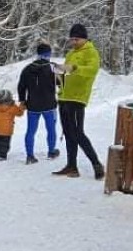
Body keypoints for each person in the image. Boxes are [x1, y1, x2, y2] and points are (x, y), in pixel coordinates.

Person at [52, 23, 105, 179]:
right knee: (68, 133)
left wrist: (75, 68)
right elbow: (64, 71)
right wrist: (57, 74)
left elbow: (92, 70)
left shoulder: (91, 52)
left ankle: (96, 163)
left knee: (78, 133)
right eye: (72, 40)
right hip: (64, 97)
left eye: (76, 39)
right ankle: (71, 166)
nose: (73, 42)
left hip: (77, 98)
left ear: (84, 38)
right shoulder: (70, 53)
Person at [17, 43, 60, 164]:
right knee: (51, 129)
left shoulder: (27, 68)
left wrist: (22, 101)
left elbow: (21, 87)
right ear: (49, 54)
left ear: (38, 54)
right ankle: (51, 152)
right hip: (49, 105)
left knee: (30, 131)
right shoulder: (53, 67)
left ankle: (30, 156)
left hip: (32, 106)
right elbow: (62, 83)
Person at [0, 89, 25, 161]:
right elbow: (19, 113)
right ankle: (2, 155)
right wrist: (22, 106)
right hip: (7, 130)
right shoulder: (12, 107)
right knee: (4, 143)